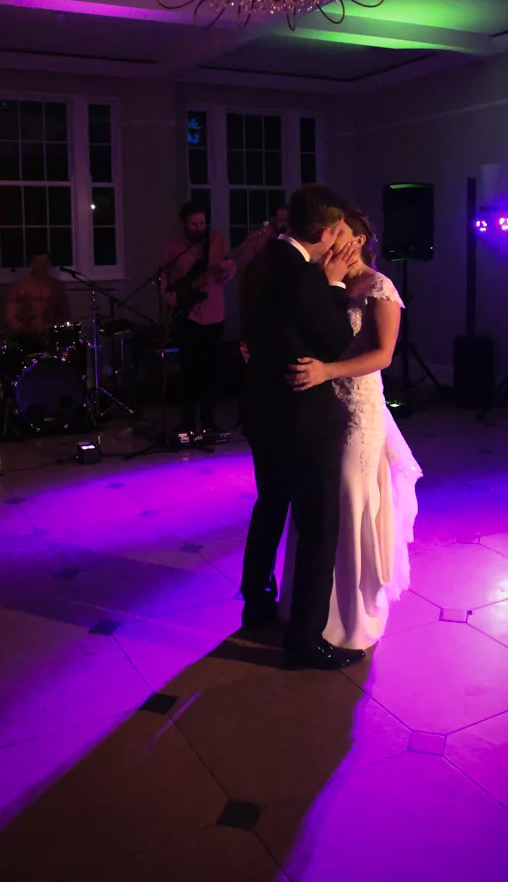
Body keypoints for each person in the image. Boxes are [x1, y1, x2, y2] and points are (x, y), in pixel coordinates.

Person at [239, 184, 366, 671]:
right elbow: (335, 340)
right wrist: (333, 284)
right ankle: (305, 640)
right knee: (317, 524)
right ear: (322, 231)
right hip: (299, 417)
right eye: (336, 231)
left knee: (270, 505)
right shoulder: (303, 274)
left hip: (260, 410)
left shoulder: (261, 262)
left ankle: (256, 603)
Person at [285, 208, 421, 650]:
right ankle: (310, 611)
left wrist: (327, 372)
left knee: (351, 502)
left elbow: (382, 355)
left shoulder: (380, 288)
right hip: (324, 411)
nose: (328, 239)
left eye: (338, 233)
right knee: (321, 506)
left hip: (360, 413)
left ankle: (350, 619)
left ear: (358, 240)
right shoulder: (329, 283)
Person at [160, 201, 235, 433]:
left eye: (202, 222)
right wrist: (167, 295)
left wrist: (227, 269)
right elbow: (164, 274)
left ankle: (209, 419)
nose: (199, 227)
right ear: (184, 224)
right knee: (188, 370)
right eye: (194, 224)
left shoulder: (217, 240)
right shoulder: (173, 245)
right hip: (188, 314)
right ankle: (187, 420)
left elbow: (227, 274)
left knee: (210, 371)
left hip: (213, 312)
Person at [4, 252, 71, 337]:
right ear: (32, 264)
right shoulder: (18, 286)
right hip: (24, 337)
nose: (43, 266)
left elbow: (65, 314)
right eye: (39, 262)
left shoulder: (57, 286)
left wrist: (57, 328)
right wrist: (22, 329)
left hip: (51, 336)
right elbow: (9, 316)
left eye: (46, 263)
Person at [233, 204, 289, 273]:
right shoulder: (259, 237)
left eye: (286, 221)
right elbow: (242, 262)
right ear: (272, 219)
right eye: (280, 220)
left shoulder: (291, 237)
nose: (284, 224)